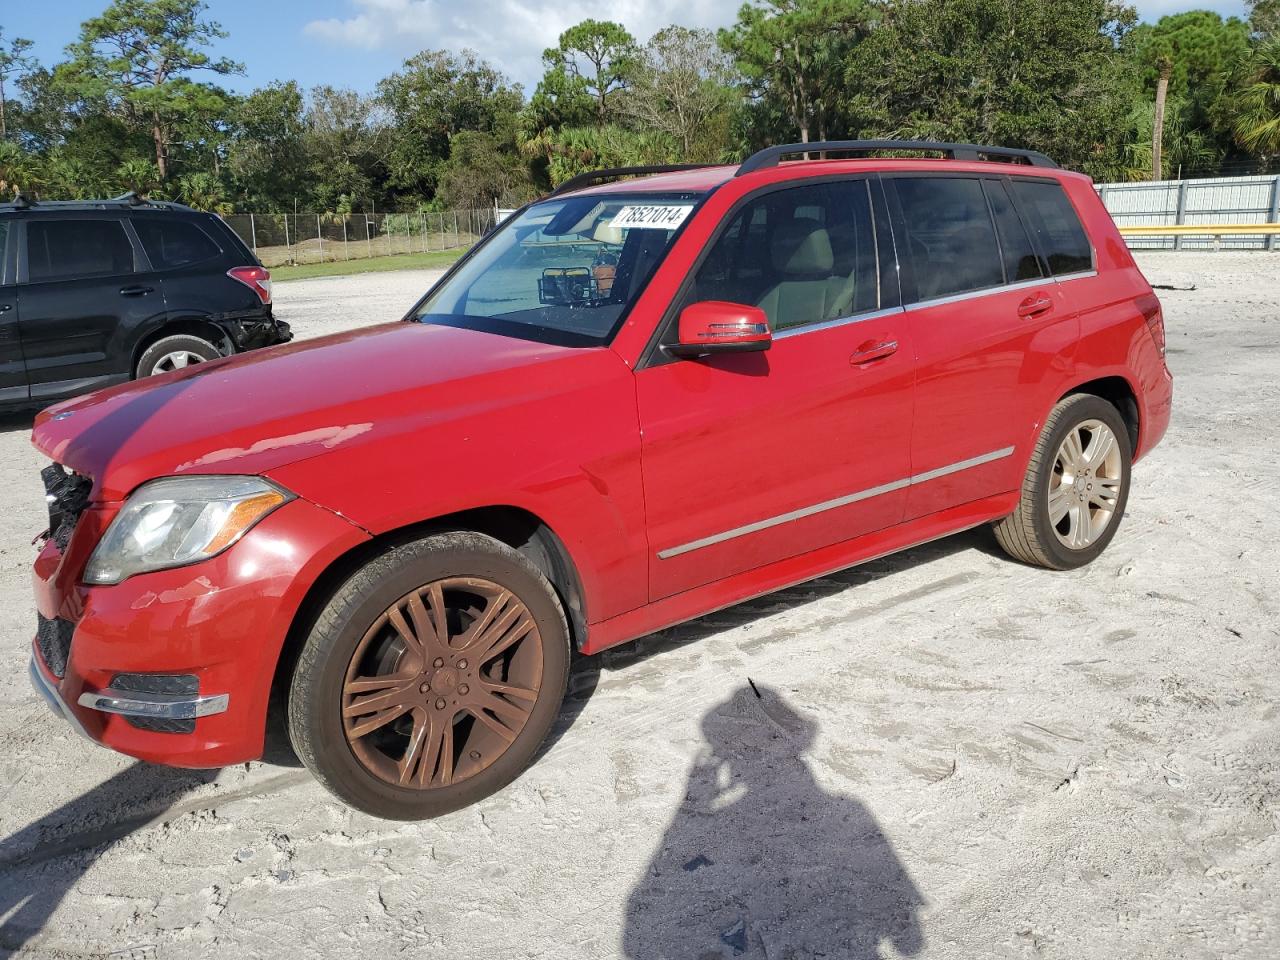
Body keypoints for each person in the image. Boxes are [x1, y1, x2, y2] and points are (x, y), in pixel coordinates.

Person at [622, 685, 925, 959]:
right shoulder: (851, 807)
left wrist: (696, 800)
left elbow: (635, 929)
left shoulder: (850, 808)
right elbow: (911, 941)